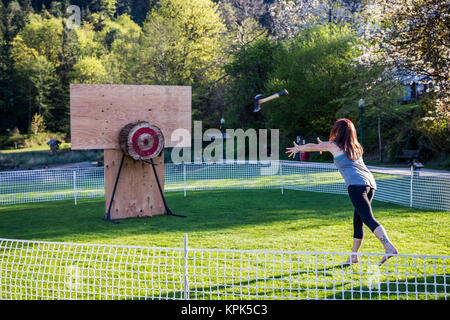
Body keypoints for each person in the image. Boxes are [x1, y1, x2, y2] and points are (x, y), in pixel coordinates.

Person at [285, 118, 398, 266]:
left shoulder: (334, 145)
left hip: (356, 185)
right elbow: (322, 146)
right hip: (370, 184)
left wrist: (298, 148)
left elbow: (312, 146)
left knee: (368, 218)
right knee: (358, 220)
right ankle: (354, 256)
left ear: (338, 131)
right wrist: (323, 146)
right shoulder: (356, 146)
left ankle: (388, 247)